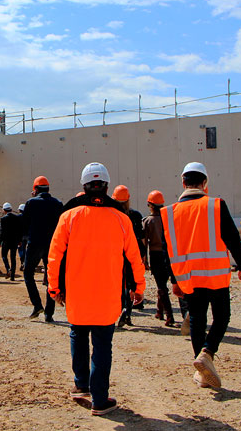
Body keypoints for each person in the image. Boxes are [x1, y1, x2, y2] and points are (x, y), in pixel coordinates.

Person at [48, 163, 145, 416]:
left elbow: (55, 255)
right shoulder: (121, 218)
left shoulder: (68, 216)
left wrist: (54, 287)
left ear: (84, 186)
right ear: (106, 186)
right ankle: (100, 400)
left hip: (77, 292)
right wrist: (138, 287)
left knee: (77, 335)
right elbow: (135, 257)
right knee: (102, 344)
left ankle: (81, 386)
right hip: (108, 293)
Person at [162, 162, 241, 389]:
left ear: (183, 183)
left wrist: (174, 281)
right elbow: (232, 238)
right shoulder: (216, 205)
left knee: (197, 321)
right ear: (205, 184)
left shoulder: (170, 212)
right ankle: (207, 353)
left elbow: (168, 250)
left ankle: (202, 371)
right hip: (216, 276)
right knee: (222, 317)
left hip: (189, 278)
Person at [22, 176, 63, 322]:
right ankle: (49, 314)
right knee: (51, 278)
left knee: (28, 273)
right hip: (52, 245)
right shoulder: (57, 203)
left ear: (35, 189)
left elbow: (24, 224)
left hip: (34, 243)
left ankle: (37, 305)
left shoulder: (31, 202)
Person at [142, 190, 182, 328]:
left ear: (150, 205)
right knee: (164, 284)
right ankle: (160, 312)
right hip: (170, 254)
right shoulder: (168, 219)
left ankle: (170, 316)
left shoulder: (147, 221)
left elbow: (144, 243)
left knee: (161, 286)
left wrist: (145, 261)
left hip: (155, 255)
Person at [111, 185, 145, 328]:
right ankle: (128, 312)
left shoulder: (112, 215)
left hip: (118, 253)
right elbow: (142, 238)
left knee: (119, 282)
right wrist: (143, 256)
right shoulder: (135, 215)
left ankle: (120, 309)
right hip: (133, 252)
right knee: (131, 284)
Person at [0, 203, 22, 281]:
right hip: (14, 241)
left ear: (4, 210)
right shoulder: (16, 218)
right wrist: (19, 240)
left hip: (6, 241)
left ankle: (8, 268)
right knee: (13, 258)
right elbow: (19, 230)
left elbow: (2, 232)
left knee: (4, 255)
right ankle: (12, 276)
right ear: (11, 209)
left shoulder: (3, 219)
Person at [17, 203, 28, 268]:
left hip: (20, 235)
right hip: (28, 235)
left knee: (21, 249)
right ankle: (26, 261)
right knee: (27, 249)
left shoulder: (18, 217)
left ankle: (22, 261)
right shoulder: (28, 216)